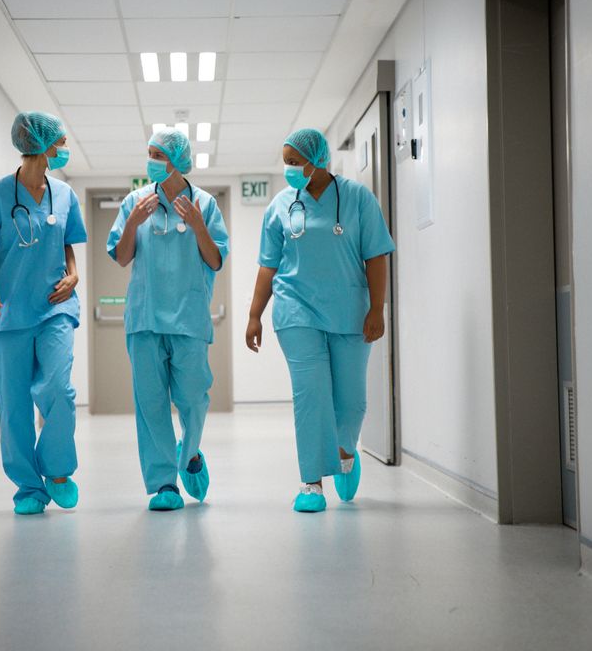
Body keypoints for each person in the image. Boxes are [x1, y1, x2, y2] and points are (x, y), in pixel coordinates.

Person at [245, 128, 395, 513]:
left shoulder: (358, 198)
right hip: (296, 312)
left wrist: (377, 308)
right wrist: (254, 315)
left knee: (351, 403)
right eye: (286, 162)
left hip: (350, 311)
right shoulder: (280, 205)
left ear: (318, 160)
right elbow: (267, 265)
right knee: (310, 396)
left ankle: (345, 451)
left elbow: (376, 256)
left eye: (295, 162)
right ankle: (311, 483)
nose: (289, 170)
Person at [0, 111, 87, 515]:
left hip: (55, 308)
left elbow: (68, 244)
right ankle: (29, 489)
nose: (64, 147)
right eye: (61, 141)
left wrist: (74, 274)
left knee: (58, 389)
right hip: (7, 314)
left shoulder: (64, 194)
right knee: (13, 408)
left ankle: (58, 468)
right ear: (43, 145)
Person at [107, 128, 229, 511]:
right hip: (144, 319)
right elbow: (122, 256)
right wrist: (131, 223)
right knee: (151, 404)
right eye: (149, 154)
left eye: (157, 154)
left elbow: (215, 260)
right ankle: (164, 485)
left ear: (177, 160)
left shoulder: (205, 204)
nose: (151, 161)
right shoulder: (134, 202)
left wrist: (197, 225)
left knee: (194, 397)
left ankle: (190, 453)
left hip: (189, 318)